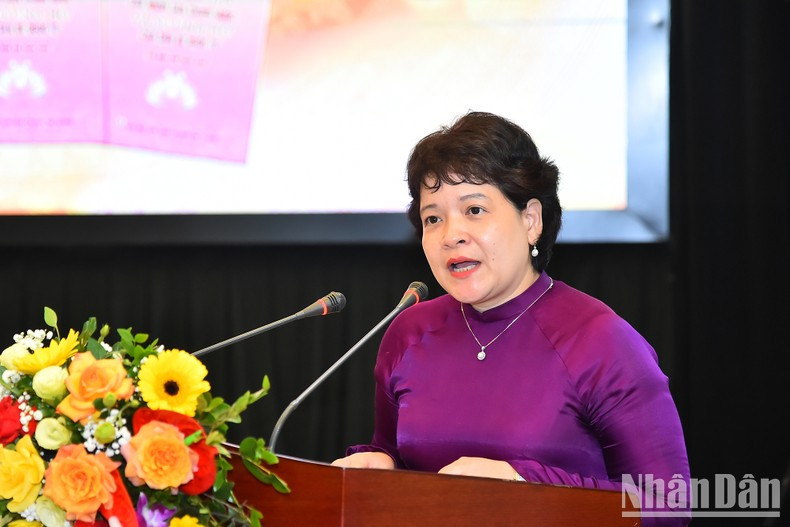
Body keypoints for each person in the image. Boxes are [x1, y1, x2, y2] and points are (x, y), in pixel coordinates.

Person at [332, 111, 690, 526]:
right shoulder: (410, 332)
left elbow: (668, 506)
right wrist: (380, 466)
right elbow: (394, 455)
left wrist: (524, 485)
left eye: (475, 210)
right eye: (434, 218)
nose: (451, 234)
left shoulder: (601, 340)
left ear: (530, 220)